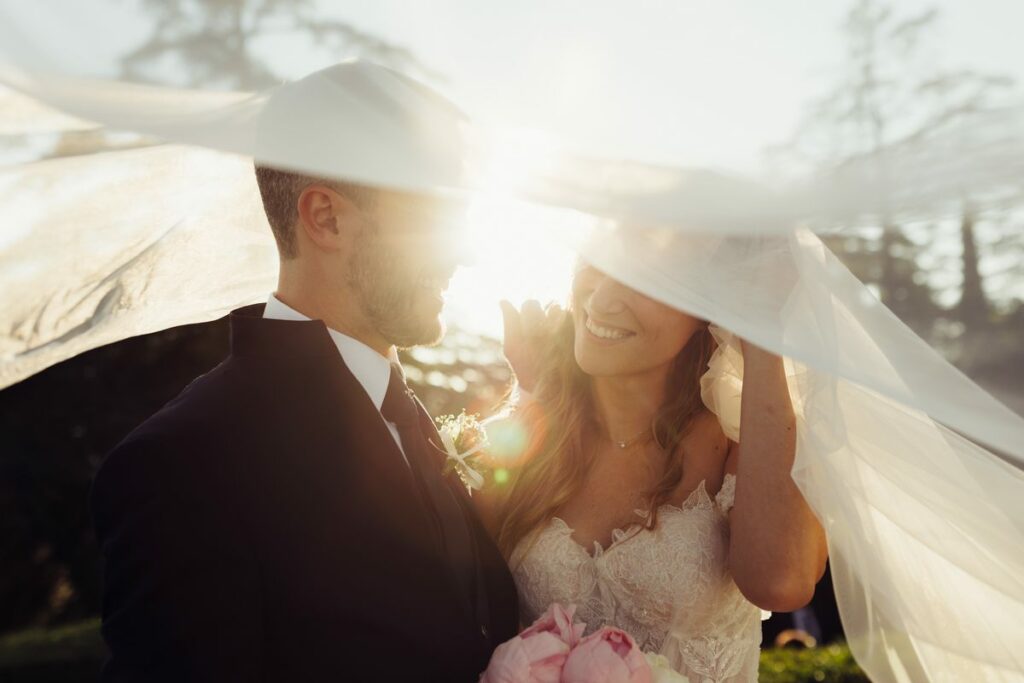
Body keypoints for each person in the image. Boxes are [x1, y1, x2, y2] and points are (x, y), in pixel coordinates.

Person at [90, 62, 518, 682]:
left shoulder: (410, 418)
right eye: (434, 217)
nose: (466, 251)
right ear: (326, 218)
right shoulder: (185, 463)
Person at [483, 263, 828, 682]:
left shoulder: (742, 440)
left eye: (643, 279)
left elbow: (781, 582)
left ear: (706, 307)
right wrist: (535, 396)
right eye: (599, 262)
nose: (601, 300)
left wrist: (761, 339)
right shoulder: (535, 436)